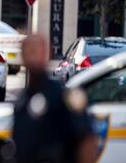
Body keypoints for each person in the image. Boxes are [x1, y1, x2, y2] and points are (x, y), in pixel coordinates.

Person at [12, 34, 98, 163]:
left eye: (37, 51)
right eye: (29, 51)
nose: (33, 56)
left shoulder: (64, 96)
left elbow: (86, 139)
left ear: (47, 55)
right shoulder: (22, 100)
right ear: (22, 56)